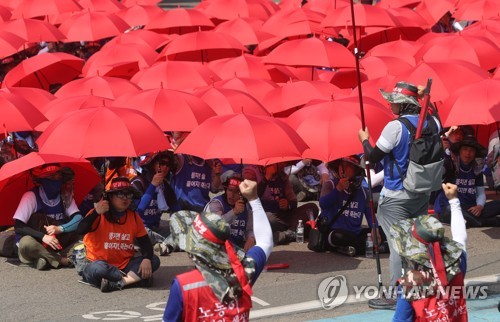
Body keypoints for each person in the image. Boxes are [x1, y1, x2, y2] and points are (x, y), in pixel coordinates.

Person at [358, 81, 442, 306]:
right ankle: (420, 288)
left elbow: (372, 157)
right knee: (417, 241)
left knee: (397, 246)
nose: (389, 104)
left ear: (403, 104)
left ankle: (398, 295)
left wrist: (364, 139)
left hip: (396, 195)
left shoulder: (395, 127)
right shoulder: (431, 122)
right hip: (422, 192)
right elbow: (432, 112)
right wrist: (424, 97)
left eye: (393, 101)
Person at [163, 179, 273, 321]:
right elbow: (265, 242)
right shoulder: (243, 272)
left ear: (192, 249)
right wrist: (253, 198)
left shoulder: (183, 285)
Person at [392, 183, 468, 321]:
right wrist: (453, 200)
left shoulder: (410, 284)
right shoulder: (458, 262)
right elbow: (460, 237)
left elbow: (400, 320)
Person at [77, 177, 160, 292]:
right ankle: (135, 279)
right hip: (98, 263)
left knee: (154, 260)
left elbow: (145, 243)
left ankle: (120, 283)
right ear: (110, 197)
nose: (125, 198)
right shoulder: (98, 213)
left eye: (129, 195)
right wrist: (96, 212)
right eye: (120, 194)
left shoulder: (134, 216)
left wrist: (146, 259)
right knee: (99, 269)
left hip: (125, 265)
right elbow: (80, 230)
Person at [13, 163, 81, 270]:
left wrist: (60, 229)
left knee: (85, 238)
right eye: (51, 177)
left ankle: (45, 260)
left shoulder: (65, 195)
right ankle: (61, 260)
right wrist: (43, 237)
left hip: (58, 242)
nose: (56, 180)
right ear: (42, 180)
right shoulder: (31, 196)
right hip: (37, 242)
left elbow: (78, 219)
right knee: (26, 243)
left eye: (58, 176)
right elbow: (18, 226)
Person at [319, 155, 386, 257]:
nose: (345, 169)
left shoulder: (363, 191)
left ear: (355, 170)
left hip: (356, 233)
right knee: (339, 237)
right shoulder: (330, 185)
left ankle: (357, 248)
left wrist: (374, 229)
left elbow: (369, 214)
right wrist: (338, 189)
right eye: (343, 165)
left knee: (384, 231)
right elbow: (323, 204)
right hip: (335, 232)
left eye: (349, 166)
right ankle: (376, 247)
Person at [435, 135, 500, 227]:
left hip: (471, 208)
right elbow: (437, 175)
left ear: (475, 153)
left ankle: (472, 221)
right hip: (451, 207)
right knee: (455, 213)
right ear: (459, 151)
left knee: (497, 205)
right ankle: (488, 222)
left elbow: (481, 193)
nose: (468, 153)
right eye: (465, 149)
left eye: (471, 150)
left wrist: (480, 206)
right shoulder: (450, 164)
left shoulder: (477, 169)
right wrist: (442, 153)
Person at [257, 162, 319, 245]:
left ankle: (289, 233)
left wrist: (287, 205)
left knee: (312, 207)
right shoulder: (256, 175)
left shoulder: (283, 177)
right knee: (268, 217)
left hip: (286, 216)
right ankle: (298, 230)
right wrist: (266, 177)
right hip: (270, 217)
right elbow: (254, 197)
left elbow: (293, 202)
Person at [132, 151, 180, 255]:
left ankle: (164, 245)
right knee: (145, 233)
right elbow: (138, 211)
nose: (165, 168)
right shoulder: (137, 183)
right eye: (162, 163)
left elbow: (177, 211)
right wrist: (152, 186)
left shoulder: (165, 187)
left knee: (181, 232)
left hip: (155, 229)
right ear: (152, 164)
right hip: (138, 229)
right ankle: (167, 243)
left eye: (168, 165)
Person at [169, 131, 223, 212]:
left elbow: (214, 189)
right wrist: (185, 138)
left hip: (202, 211)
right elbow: (169, 158)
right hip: (182, 210)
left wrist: (217, 175)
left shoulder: (209, 164)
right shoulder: (182, 159)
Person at [204, 173, 255, 251]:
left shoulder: (246, 206)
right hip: (216, 247)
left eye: (237, 191)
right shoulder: (216, 203)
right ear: (226, 189)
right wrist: (234, 212)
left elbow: (250, 229)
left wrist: (251, 238)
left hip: (237, 246)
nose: (232, 195)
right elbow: (216, 224)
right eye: (230, 190)